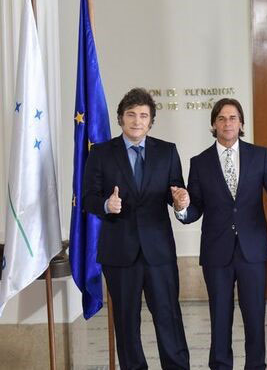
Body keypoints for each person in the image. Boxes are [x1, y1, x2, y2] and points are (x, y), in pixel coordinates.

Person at [175, 98, 267, 370]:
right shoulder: (200, 162)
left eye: (233, 118)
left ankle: (256, 366)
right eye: (222, 118)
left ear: (241, 123)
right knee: (220, 316)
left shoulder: (259, 155)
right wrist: (182, 207)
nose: (227, 123)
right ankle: (220, 365)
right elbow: (194, 209)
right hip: (216, 252)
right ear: (213, 124)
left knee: (254, 315)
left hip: (252, 249)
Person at [82, 87, 190, 369]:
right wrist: (106, 205)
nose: (137, 121)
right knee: (127, 323)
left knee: (169, 317)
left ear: (151, 121)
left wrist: (180, 201)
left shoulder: (167, 151)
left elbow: (175, 191)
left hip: (159, 253)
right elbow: (88, 198)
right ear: (120, 119)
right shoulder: (102, 153)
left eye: (144, 115)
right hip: (119, 253)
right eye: (131, 115)